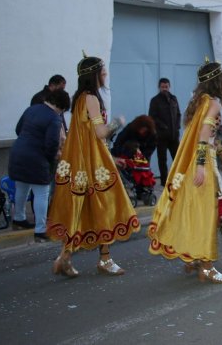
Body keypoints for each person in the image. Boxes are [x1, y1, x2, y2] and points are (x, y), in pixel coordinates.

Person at [148, 58, 222, 283]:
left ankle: (193, 258)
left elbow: (208, 137)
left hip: (196, 162)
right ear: (218, 80)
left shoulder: (198, 101)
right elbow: (204, 136)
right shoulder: (213, 103)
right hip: (203, 165)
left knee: (197, 211)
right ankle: (207, 266)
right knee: (207, 215)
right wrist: (202, 166)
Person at [47, 54, 140, 277]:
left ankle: (65, 258)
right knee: (104, 207)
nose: (105, 75)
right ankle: (104, 260)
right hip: (95, 164)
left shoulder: (79, 99)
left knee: (82, 210)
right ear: (94, 75)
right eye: (103, 71)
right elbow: (100, 133)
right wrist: (119, 122)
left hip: (81, 164)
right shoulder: (92, 99)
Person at [8, 89, 70, 241]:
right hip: (36, 158)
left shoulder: (31, 109)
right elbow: (52, 143)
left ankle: (19, 218)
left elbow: (18, 129)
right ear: (60, 106)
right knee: (42, 192)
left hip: (17, 152)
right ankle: (40, 230)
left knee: (22, 187)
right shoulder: (54, 118)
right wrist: (50, 159)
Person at [149, 78, 181, 186]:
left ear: (169, 86)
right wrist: (163, 126)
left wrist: (177, 126)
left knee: (178, 158)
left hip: (174, 136)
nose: (164, 89)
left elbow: (178, 114)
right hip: (161, 136)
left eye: (166, 87)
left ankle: (178, 179)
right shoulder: (155, 100)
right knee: (162, 160)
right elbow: (152, 117)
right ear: (159, 87)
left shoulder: (173, 99)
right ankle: (164, 181)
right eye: (162, 87)